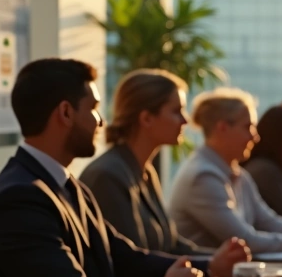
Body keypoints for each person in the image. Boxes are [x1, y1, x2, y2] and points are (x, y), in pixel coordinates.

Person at [0, 59, 243, 277]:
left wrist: (207, 267)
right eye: (93, 108)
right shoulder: (19, 198)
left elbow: (122, 257)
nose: (101, 121)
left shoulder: (68, 186)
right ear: (65, 113)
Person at [79, 69, 250, 259]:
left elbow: (170, 245)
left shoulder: (145, 171)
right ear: (146, 118)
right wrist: (212, 264)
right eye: (176, 111)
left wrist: (220, 259)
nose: (185, 120)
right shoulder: (108, 176)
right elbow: (130, 262)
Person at [169, 88, 282, 254]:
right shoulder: (203, 177)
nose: (255, 136)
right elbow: (245, 240)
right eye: (248, 127)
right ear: (222, 128)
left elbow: (269, 221)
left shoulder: (238, 174)